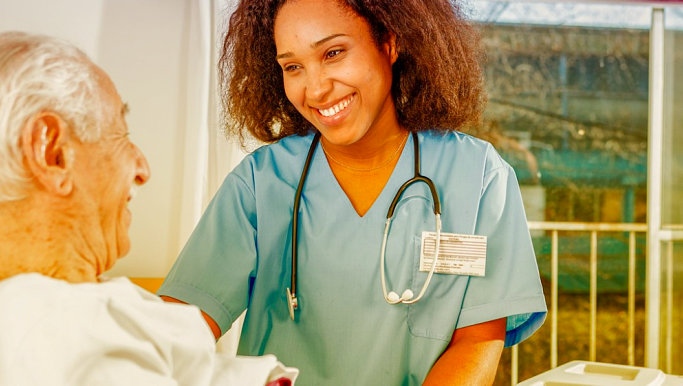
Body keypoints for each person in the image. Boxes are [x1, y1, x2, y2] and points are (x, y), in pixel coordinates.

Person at [159, 0, 547, 384]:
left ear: (390, 44)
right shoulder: (261, 181)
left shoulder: (478, 175)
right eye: (293, 66)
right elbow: (181, 325)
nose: (316, 88)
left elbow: (477, 342)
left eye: (333, 53)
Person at [0, 31, 296, 386]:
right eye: (119, 133)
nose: (143, 169)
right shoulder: (60, 325)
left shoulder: (56, 316)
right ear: (53, 153)